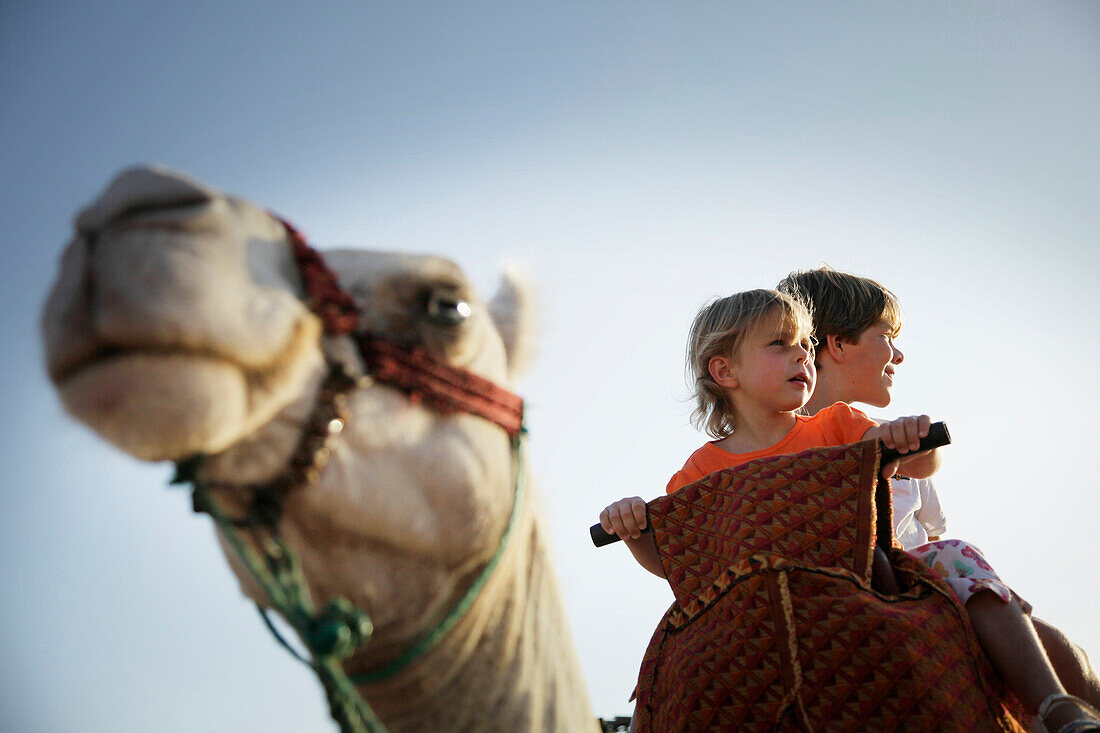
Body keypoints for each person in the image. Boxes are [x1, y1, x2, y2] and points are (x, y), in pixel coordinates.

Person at [599, 286, 1100, 733]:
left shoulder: (837, 424)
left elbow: (923, 464)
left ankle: (1055, 705)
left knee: (957, 559)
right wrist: (638, 532)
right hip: (760, 594)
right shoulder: (699, 472)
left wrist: (905, 438)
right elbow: (680, 564)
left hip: (867, 566)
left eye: (806, 345)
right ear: (724, 370)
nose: (802, 355)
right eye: (781, 344)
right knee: (669, 660)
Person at [776, 266, 1100, 731]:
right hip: (840, 586)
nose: (900, 354)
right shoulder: (769, 445)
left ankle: (1065, 712)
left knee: (1063, 652)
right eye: (886, 335)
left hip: (914, 583)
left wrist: (913, 445)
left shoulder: (895, 440)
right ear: (838, 345)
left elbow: (930, 526)